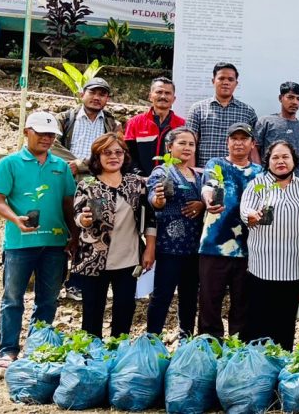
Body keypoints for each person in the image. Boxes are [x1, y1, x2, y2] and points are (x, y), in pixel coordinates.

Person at [0, 112, 76, 368]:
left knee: (48, 299)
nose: (47, 139)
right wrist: (16, 219)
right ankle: (8, 349)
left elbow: (68, 203)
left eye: (51, 135)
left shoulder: (61, 167)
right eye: (41, 133)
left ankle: (37, 347)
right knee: (13, 298)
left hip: (54, 243)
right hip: (19, 243)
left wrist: (74, 235)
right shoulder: (9, 164)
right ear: (27, 131)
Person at [73, 133, 150, 338]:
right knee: (92, 312)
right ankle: (92, 356)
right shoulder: (88, 184)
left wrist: (150, 248)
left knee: (125, 309)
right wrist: (85, 220)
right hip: (94, 258)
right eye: (106, 153)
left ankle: (118, 352)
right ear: (97, 157)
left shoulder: (136, 183)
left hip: (128, 258)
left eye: (118, 152)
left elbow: (151, 216)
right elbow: (78, 216)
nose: (113, 157)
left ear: (125, 156)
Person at [239, 141, 299, 350]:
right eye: (275, 157)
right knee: (258, 321)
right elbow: (245, 210)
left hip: (292, 268)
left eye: (285, 157)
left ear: (294, 161)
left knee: (285, 323)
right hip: (262, 267)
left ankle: (281, 364)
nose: (280, 161)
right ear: (268, 162)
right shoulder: (258, 184)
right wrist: (251, 216)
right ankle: (256, 367)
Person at [197, 122, 263, 338]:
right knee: (209, 300)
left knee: (243, 303)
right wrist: (208, 201)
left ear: (252, 144)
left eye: (244, 138)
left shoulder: (260, 172)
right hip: (214, 245)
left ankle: (238, 348)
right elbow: (208, 187)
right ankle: (209, 344)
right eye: (234, 138)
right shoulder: (216, 164)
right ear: (227, 142)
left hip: (249, 248)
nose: (238, 142)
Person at [145, 127, 205, 337]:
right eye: (182, 143)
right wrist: (158, 200)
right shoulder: (163, 171)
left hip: (194, 248)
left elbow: (206, 201)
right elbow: (154, 199)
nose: (187, 148)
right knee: (162, 296)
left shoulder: (198, 175)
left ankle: (185, 339)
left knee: (189, 297)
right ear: (169, 147)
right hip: (170, 247)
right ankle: (152, 340)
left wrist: (202, 204)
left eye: (191, 144)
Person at [186, 62, 258, 168]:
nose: (226, 82)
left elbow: (253, 147)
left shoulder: (247, 111)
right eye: (221, 78)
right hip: (204, 172)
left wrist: (257, 174)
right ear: (213, 81)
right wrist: (191, 175)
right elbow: (190, 144)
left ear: (236, 83)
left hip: (237, 173)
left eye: (230, 79)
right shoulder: (198, 109)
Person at [52, 77, 123, 175]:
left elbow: (116, 154)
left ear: (107, 99)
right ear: (82, 95)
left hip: (97, 179)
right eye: (92, 92)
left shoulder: (113, 125)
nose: (96, 98)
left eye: (102, 95)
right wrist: (72, 166)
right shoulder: (64, 119)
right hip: (65, 173)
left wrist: (81, 166)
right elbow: (52, 145)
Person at [124, 76, 185, 176]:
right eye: (159, 92)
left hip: (171, 181)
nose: (163, 96)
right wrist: (138, 176)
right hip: (140, 181)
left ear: (173, 99)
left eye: (167, 93)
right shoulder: (134, 123)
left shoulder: (182, 125)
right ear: (150, 96)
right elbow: (128, 154)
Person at [254, 81, 299, 178]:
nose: (295, 102)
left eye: (298, 98)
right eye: (290, 97)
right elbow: (254, 148)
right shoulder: (266, 122)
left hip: (295, 186)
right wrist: (259, 173)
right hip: (268, 182)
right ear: (280, 98)